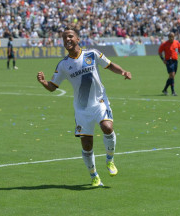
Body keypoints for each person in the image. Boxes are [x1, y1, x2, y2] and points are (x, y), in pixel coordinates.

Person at [37, 26, 132, 187]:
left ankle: (110, 160)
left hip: (100, 102)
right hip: (81, 109)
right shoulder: (63, 65)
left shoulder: (92, 54)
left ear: (78, 39)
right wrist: (43, 82)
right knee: (87, 144)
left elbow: (109, 65)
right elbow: (53, 87)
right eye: (64, 37)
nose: (67, 39)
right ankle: (94, 175)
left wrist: (123, 72)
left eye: (70, 36)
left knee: (107, 127)